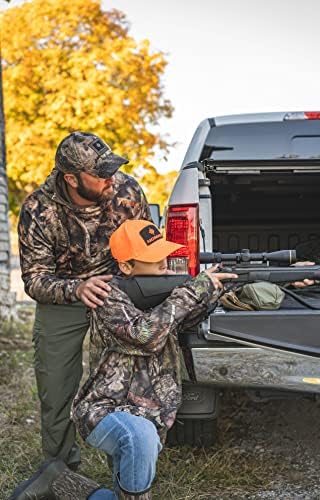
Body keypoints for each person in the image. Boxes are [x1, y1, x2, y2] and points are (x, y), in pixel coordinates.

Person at [10, 219, 238, 500]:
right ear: (127, 267)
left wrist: (226, 285)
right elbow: (146, 335)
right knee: (138, 436)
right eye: (154, 260)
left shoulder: (167, 296)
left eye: (164, 254)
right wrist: (192, 291)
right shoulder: (107, 298)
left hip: (153, 415)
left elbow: (193, 311)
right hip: (104, 411)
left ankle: (58, 481)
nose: (165, 264)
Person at [18, 131, 152, 470]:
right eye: (100, 173)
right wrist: (76, 289)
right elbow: (34, 278)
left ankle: (128, 463)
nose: (111, 178)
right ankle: (61, 471)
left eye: (111, 169)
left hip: (118, 291)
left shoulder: (128, 191)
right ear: (71, 178)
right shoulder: (38, 209)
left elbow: (147, 250)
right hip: (63, 296)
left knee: (125, 386)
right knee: (56, 386)